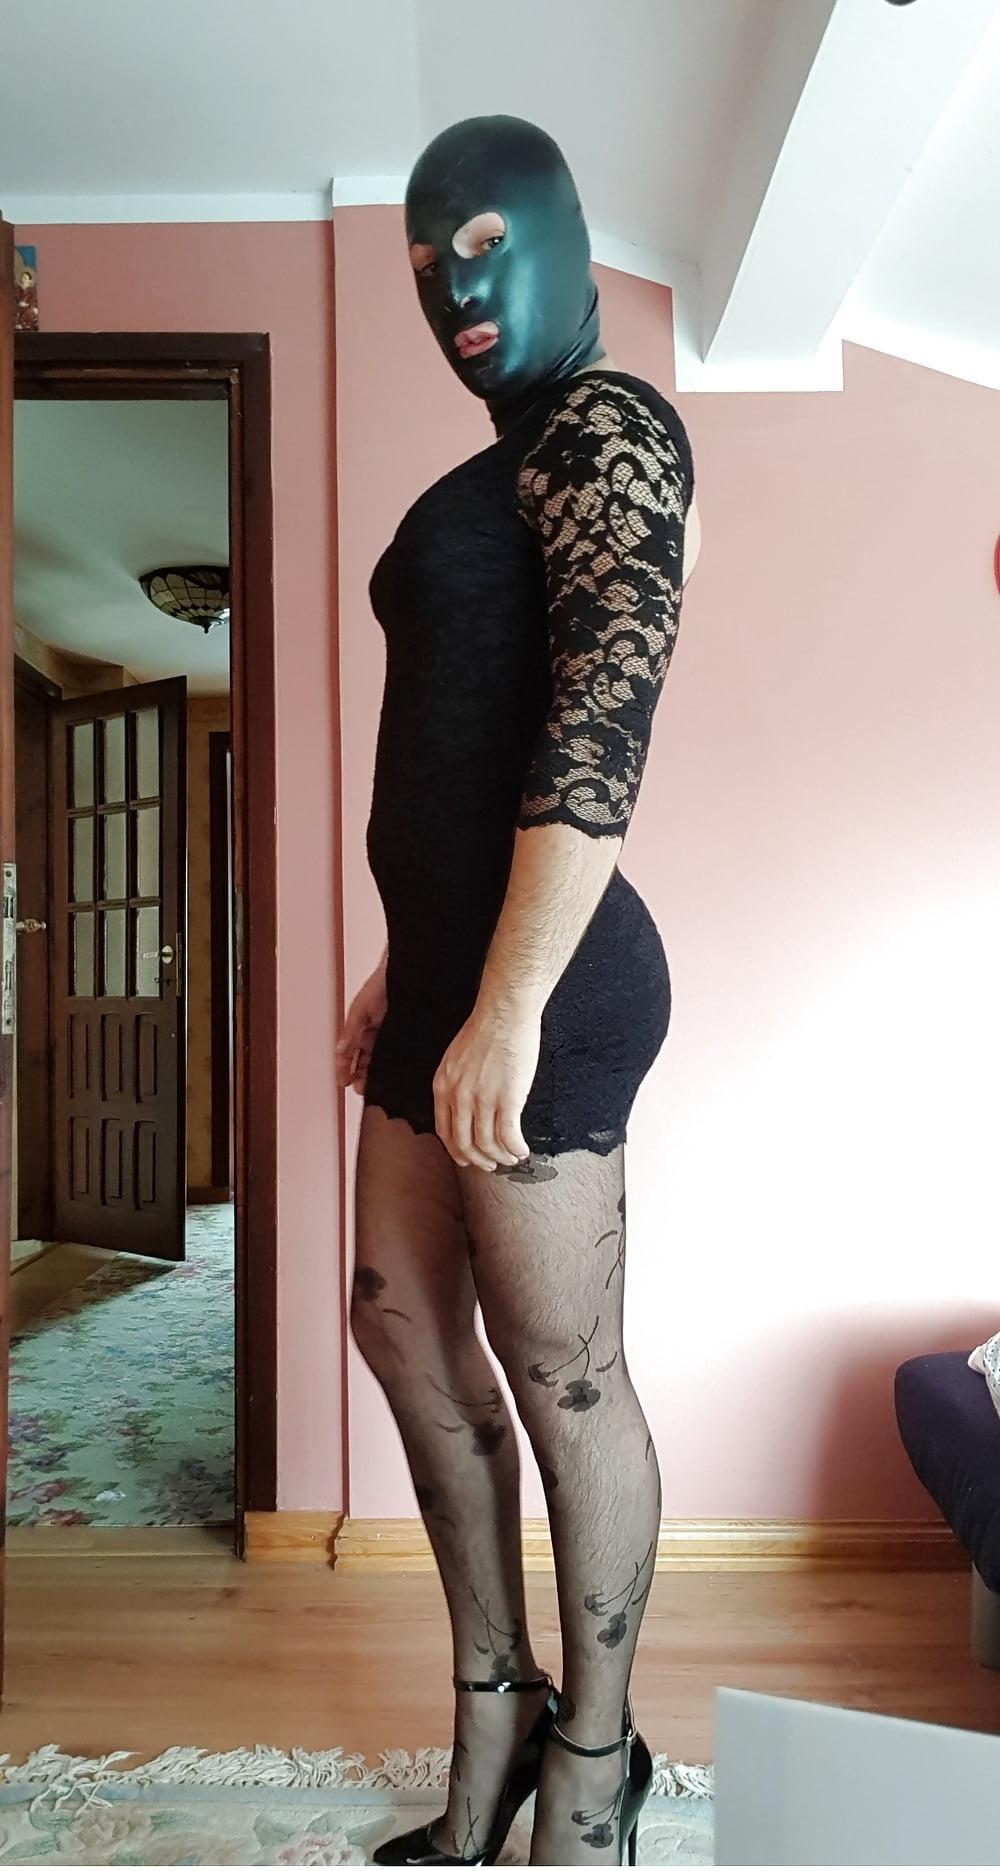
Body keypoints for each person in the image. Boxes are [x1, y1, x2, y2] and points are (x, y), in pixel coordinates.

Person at [336, 114, 700, 1867]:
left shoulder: (611, 426)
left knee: (566, 1377)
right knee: (400, 1326)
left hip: (544, 994)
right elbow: (458, 737)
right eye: (424, 267)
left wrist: (505, 1003)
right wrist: (407, 963)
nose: (453, 289)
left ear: (564, 233)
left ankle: (596, 1761)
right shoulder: (509, 463)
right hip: (450, 981)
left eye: (482, 243)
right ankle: (493, 1699)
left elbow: (597, 728)